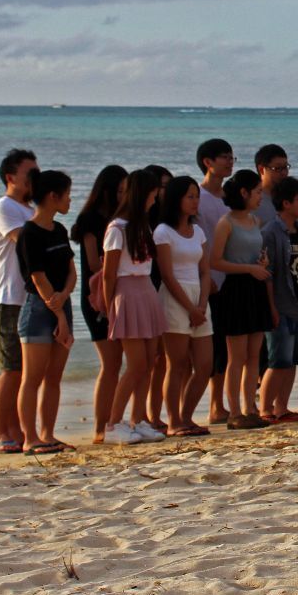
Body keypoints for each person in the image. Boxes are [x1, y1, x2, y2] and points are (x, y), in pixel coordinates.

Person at [101, 169, 168, 444]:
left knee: (150, 361)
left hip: (146, 290)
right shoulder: (117, 228)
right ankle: (113, 423)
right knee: (136, 363)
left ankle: (138, 420)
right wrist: (109, 309)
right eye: (153, 194)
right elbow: (108, 273)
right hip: (127, 292)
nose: (155, 199)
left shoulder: (142, 226)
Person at [15, 169, 76, 454]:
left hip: (61, 302)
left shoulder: (60, 230)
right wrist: (59, 314)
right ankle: (30, 438)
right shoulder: (29, 233)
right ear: (53, 196)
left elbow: (70, 270)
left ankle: (47, 434)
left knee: (54, 377)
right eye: (67, 194)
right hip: (39, 308)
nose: (70, 200)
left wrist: (65, 297)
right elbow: (38, 278)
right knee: (33, 378)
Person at [210, 169, 273, 430]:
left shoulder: (255, 221)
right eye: (257, 191)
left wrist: (262, 263)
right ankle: (235, 411)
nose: (260, 196)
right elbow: (215, 261)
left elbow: (255, 252)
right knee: (235, 356)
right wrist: (248, 269)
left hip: (256, 287)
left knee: (254, 355)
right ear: (244, 193)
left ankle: (250, 408)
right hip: (236, 290)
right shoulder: (226, 223)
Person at [69, 163, 127, 444]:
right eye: (119, 190)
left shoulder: (121, 218)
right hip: (97, 298)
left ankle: (115, 420)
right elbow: (93, 262)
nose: (122, 195)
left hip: (119, 293)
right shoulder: (91, 219)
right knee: (111, 363)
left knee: (120, 363)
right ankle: (100, 426)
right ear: (106, 190)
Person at [154, 176, 213, 437]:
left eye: (196, 196)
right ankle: (174, 420)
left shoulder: (198, 231)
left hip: (199, 299)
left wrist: (201, 304)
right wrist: (190, 308)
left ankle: (187, 416)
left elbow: (205, 270)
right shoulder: (163, 232)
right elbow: (167, 274)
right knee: (176, 364)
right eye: (189, 196)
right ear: (176, 199)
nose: (194, 201)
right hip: (175, 299)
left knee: (204, 364)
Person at [0, 148, 37, 454]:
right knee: (11, 368)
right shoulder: (4, 206)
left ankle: (19, 430)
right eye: (29, 173)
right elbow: (27, 243)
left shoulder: (31, 210)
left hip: (32, 297)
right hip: (9, 297)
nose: (35, 179)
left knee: (27, 370)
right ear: (11, 177)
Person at [260, 177, 298, 423]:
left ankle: (281, 408)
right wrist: (272, 307)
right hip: (283, 305)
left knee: (295, 358)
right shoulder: (271, 232)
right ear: (285, 203)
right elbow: (268, 274)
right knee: (278, 360)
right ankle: (264, 409)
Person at [195, 138, 235, 425]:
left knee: (231, 346)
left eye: (232, 157)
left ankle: (224, 404)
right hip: (208, 281)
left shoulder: (231, 197)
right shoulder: (197, 196)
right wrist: (205, 277)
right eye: (224, 157)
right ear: (208, 162)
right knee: (211, 346)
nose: (230, 161)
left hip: (234, 277)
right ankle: (214, 405)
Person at [142, 164, 173, 432]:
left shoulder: (167, 219)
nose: (162, 193)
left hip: (166, 288)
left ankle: (156, 414)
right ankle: (144, 415)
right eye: (161, 187)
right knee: (150, 359)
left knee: (163, 358)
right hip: (148, 288)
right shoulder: (143, 221)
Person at [253, 143, 289, 229]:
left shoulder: (289, 198)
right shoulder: (252, 202)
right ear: (261, 169)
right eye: (278, 168)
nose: (284, 173)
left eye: (285, 167)